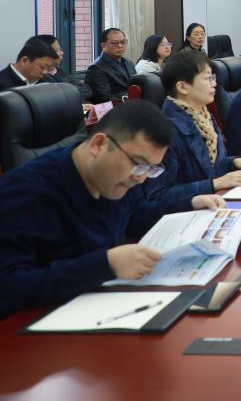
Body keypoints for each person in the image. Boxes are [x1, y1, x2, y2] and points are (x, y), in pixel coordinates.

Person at [0, 101, 225, 317]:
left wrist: (188, 203)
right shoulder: (25, 193)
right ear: (98, 145)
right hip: (36, 326)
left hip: (96, 304)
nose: (141, 178)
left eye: (150, 169)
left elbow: (133, 215)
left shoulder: (116, 180)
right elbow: (8, 286)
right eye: (138, 164)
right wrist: (105, 265)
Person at [143, 50, 241, 204]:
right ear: (182, 87)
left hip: (217, 202)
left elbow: (210, 166)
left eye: (213, 77)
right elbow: (158, 196)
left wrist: (234, 162)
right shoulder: (165, 131)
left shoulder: (203, 115)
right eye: (208, 78)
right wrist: (214, 184)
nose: (214, 83)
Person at [35, 34, 94, 105]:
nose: (62, 53)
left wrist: (69, 92)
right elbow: (57, 98)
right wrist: (72, 91)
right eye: (57, 50)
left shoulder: (60, 71)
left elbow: (87, 90)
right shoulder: (39, 77)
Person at [85, 28, 139, 103]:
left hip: (133, 104)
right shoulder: (96, 68)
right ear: (103, 46)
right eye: (114, 43)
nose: (120, 46)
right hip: (114, 108)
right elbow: (104, 98)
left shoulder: (128, 62)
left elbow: (136, 86)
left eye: (123, 42)